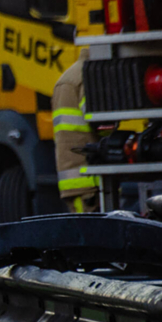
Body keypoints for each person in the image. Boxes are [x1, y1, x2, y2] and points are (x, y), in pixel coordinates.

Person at [52, 48, 100, 213]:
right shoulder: (89, 75)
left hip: (74, 177)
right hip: (88, 178)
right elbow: (98, 120)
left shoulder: (66, 77)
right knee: (92, 233)